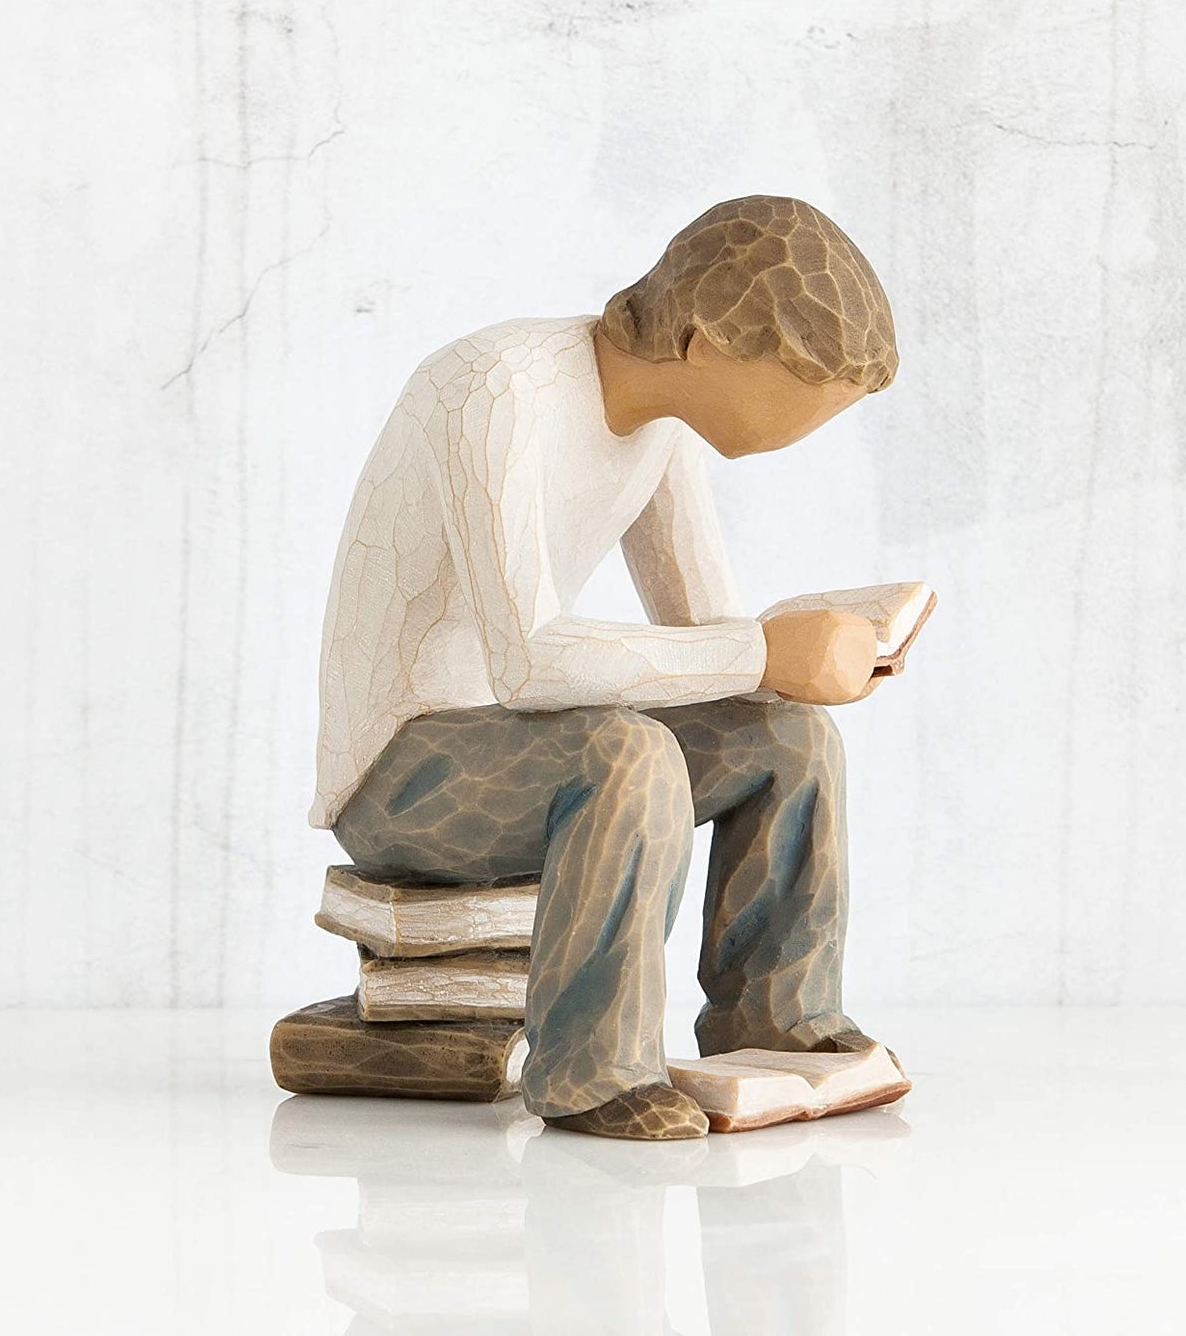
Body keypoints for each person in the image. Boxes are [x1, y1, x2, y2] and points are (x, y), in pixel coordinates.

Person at [311, 194, 900, 1139]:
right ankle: (593, 1069)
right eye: (802, 393)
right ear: (704, 341)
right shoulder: (495, 389)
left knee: (787, 737)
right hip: (402, 772)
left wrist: (806, 661)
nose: (814, 423)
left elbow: (707, 637)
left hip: (521, 748)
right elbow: (528, 661)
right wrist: (761, 649)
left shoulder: (664, 423)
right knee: (623, 754)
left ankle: (778, 1019)